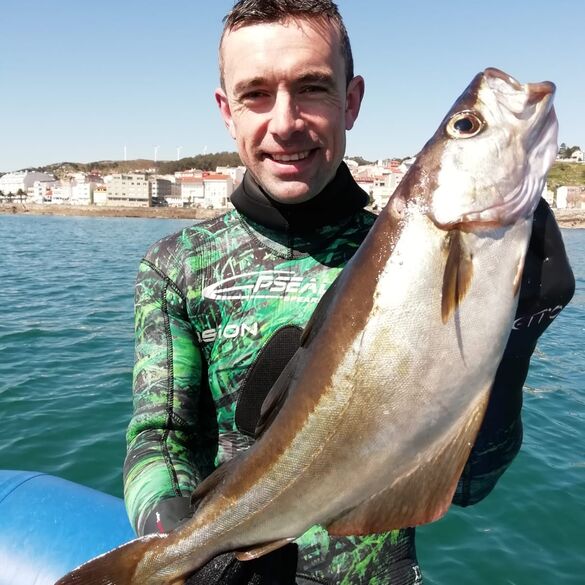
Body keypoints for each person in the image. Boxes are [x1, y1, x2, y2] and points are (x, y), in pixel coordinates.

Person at [123, 1, 575, 583]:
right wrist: (181, 545)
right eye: (255, 94)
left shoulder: (412, 246)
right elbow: (159, 437)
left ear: (352, 100)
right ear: (226, 111)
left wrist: (513, 344)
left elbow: (469, 484)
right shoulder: (174, 267)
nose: (284, 122)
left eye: (311, 87)